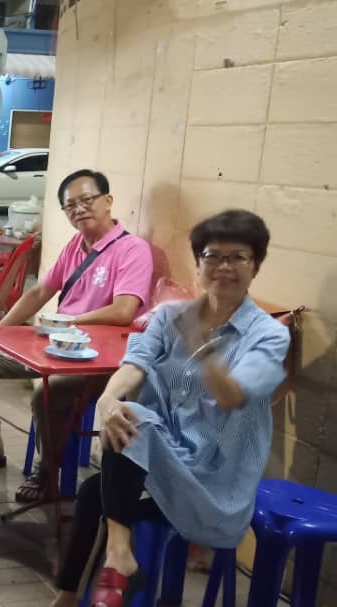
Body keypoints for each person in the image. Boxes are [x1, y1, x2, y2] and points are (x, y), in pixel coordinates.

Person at [50, 209, 289, 607]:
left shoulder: (268, 336)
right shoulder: (169, 317)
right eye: (213, 256)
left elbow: (233, 395)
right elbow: (136, 363)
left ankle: (117, 561)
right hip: (158, 459)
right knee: (102, 469)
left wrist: (200, 344)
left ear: (255, 266)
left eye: (238, 257)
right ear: (198, 263)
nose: (224, 267)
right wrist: (109, 398)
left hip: (213, 480)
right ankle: (80, 587)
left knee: (133, 427)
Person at [0, 169, 154, 504]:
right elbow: (40, 291)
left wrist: (68, 321)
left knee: (46, 394)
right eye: (71, 205)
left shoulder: (132, 250)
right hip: (54, 346)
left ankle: (48, 471)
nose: (79, 209)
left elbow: (124, 310)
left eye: (87, 200)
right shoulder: (75, 246)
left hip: (98, 360)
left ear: (108, 201)